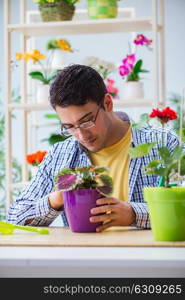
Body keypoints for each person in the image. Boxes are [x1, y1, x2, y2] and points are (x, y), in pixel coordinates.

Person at [7, 64, 179, 232]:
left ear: (107, 103)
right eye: (70, 127)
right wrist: (57, 198)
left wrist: (135, 214)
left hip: (149, 258)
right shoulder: (60, 154)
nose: (81, 135)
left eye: (87, 122)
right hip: (83, 258)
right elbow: (14, 217)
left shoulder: (163, 143)